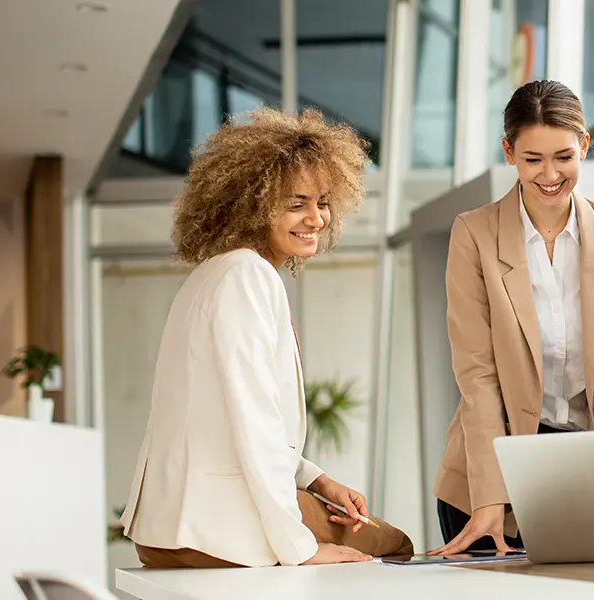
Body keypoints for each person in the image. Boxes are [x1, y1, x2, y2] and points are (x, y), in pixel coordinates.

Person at [119, 107, 413, 568]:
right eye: (296, 203)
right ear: (250, 204)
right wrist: (301, 549)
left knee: (369, 531)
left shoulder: (213, 274)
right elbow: (254, 422)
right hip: (215, 530)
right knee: (393, 543)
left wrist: (316, 481)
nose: (315, 218)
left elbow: (224, 418)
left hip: (166, 528)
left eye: (322, 202)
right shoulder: (247, 276)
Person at [431, 80, 594, 555]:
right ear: (508, 152)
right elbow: (477, 375)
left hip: (581, 468)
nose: (550, 174)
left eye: (564, 157)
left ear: (584, 146)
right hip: (491, 475)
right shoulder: (474, 234)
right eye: (533, 160)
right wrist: (490, 495)